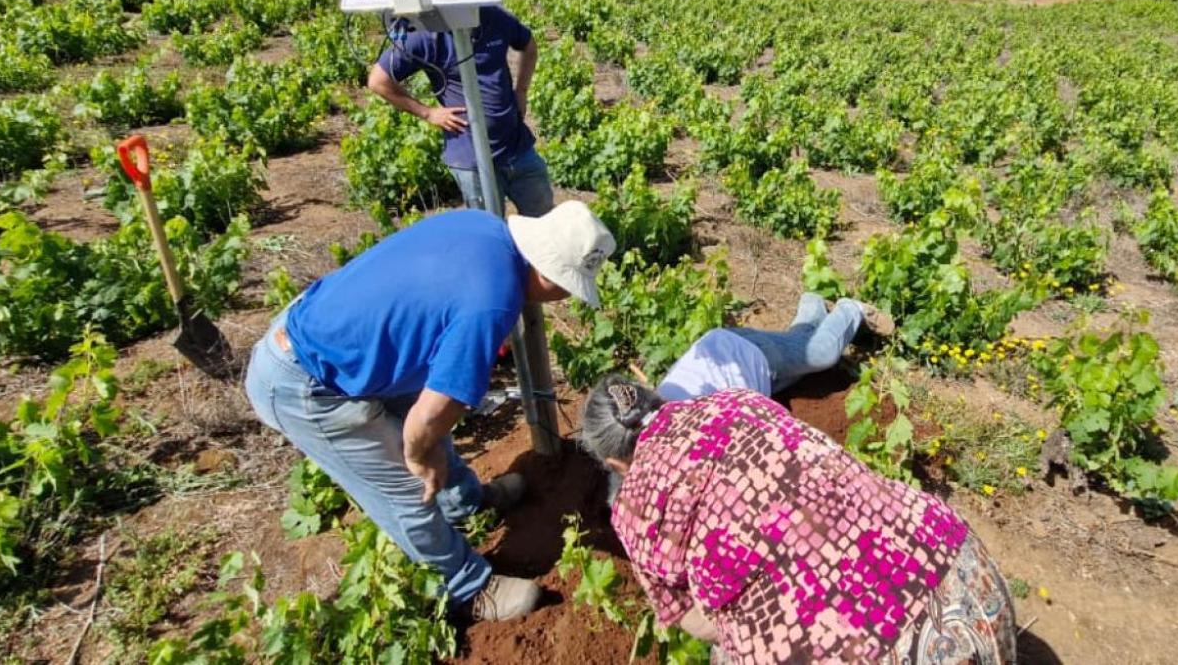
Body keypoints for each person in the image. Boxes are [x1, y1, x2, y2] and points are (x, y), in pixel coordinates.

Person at [246, 202, 615, 622]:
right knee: (406, 487)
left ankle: (466, 504)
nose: (566, 297)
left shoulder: (482, 227)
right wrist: (422, 456)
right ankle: (467, 588)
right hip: (306, 383)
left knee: (427, 421)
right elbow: (428, 418)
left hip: (334, 334)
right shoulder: (491, 305)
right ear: (548, 275)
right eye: (570, 286)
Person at [582, 382, 1018, 665]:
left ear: (614, 462)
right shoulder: (736, 401)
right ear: (658, 401)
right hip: (970, 588)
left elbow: (697, 622)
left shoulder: (633, 514)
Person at [367, 6, 550, 216]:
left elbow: (529, 45)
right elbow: (378, 81)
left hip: (517, 148)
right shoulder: (426, 34)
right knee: (489, 232)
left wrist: (522, 91)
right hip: (470, 158)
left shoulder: (494, 17)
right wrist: (428, 112)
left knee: (545, 220)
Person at [656, 294, 867, 401]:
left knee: (822, 354)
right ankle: (812, 303)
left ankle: (852, 308)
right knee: (799, 365)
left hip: (742, 353)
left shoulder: (685, 421)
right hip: (742, 375)